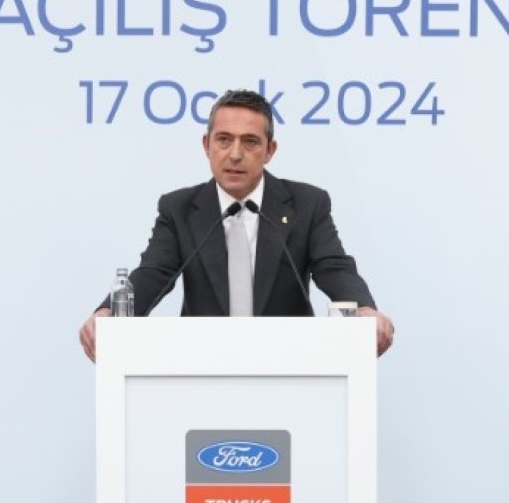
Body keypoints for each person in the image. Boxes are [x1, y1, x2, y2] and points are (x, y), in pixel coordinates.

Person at [80, 88, 394, 360]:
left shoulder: (306, 204)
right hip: (200, 364)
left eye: (250, 142)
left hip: (290, 362)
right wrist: (108, 313)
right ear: (206, 145)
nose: (235, 154)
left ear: (270, 150)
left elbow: (334, 267)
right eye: (224, 140)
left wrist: (365, 309)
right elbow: (154, 273)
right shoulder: (179, 208)